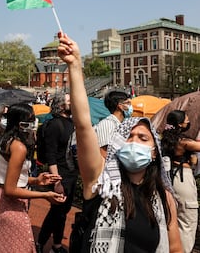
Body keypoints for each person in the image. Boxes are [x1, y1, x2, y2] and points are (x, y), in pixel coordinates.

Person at [57, 33, 182, 252]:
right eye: (127, 137)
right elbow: (83, 125)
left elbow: (175, 248)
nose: (133, 142)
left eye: (142, 138)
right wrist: (75, 65)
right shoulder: (100, 183)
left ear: (155, 152)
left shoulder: (164, 198)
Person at [0, 103, 66, 253]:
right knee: (19, 246)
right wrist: (45, 195)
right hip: (10, 204)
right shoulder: (19, 147)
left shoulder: (7, 140)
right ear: (20, 123)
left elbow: (9, 178)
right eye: (30, 119)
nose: (34, 123)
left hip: (2, 200)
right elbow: (10, 189)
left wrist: (36, 181)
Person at [37, 93, 77, 253]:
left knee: (62, 212)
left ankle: (57, 245)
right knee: (57, 211)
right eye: (69, 101)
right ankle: (41, 243)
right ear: (61, 106)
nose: (72, 103)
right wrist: (57, 181)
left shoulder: (72, 123)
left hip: (71, 173)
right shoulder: (55, 125)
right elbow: (50, 155)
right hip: (60, 174)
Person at [161, 110, 199, 253]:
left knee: (172, 220)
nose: (189, 123)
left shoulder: (165, 140)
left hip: (170, 179)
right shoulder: (183, 142)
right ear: (180, 124)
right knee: (187, 221)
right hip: (183, 180)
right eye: (187, 120)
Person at [94, 91, 131, 158]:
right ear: (120, 106)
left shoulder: (122, 124)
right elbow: (104, 153)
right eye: (128, 103)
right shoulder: (107, 124)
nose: (131, 106)